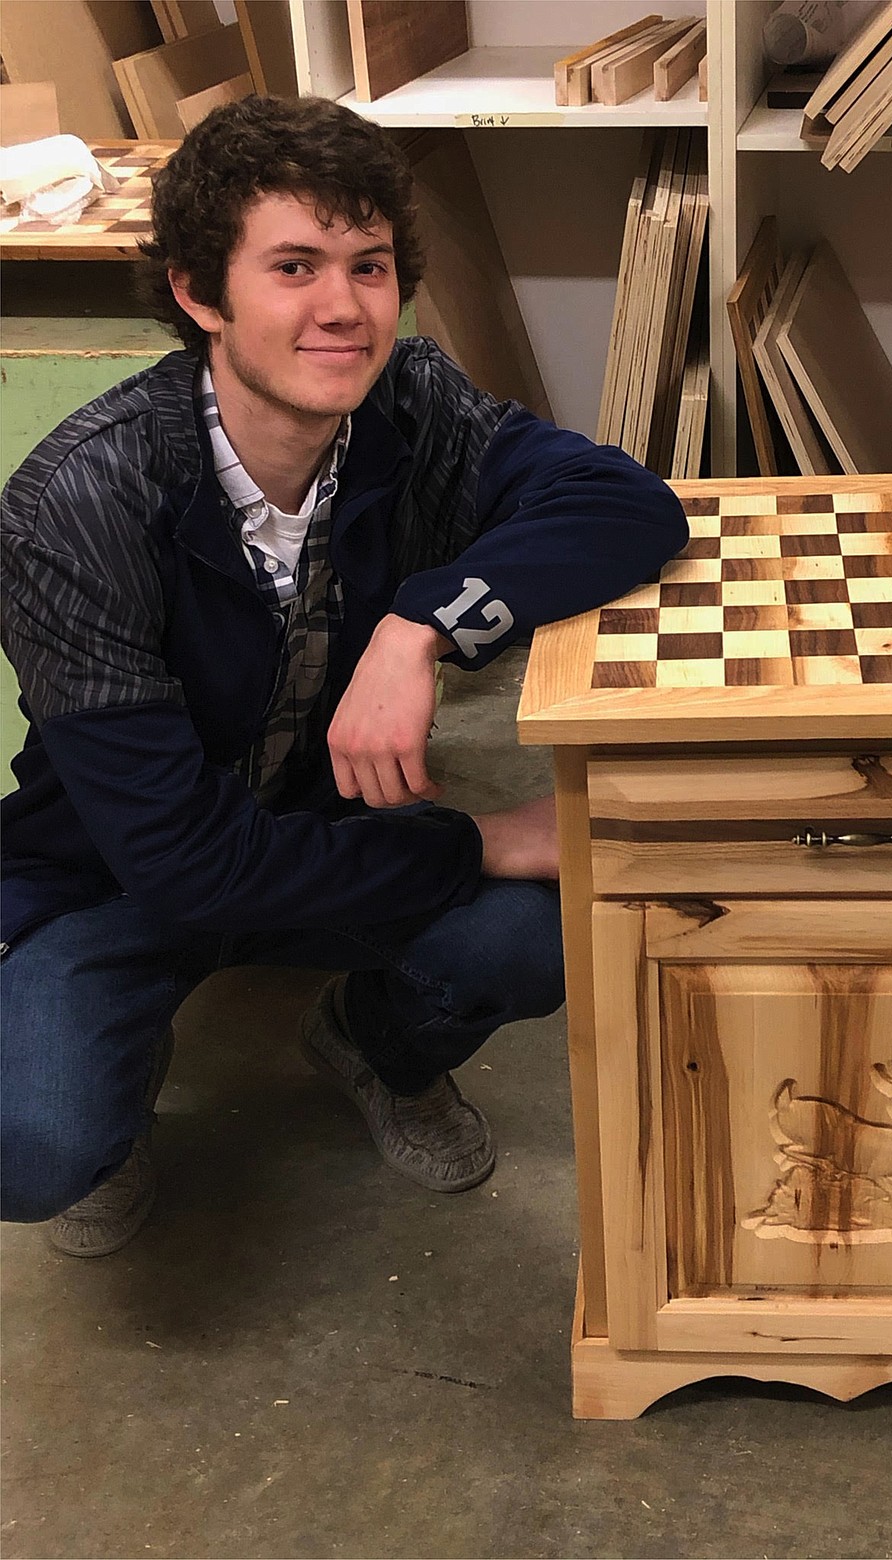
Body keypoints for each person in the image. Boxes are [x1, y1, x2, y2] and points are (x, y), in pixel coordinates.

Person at [0, 95, 687, 1257]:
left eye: (369, 266)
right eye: (294, 266)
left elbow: (628, 503)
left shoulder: (408, 404)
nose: (342, 308)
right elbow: (184, 868)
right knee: (35, 1143)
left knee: (532, 943)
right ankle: (121, 1077)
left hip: (329, 820)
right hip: (120, 869)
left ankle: (370, 1039)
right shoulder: (76, 507)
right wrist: (477, 842)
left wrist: (421, 623)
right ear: (197, 291)